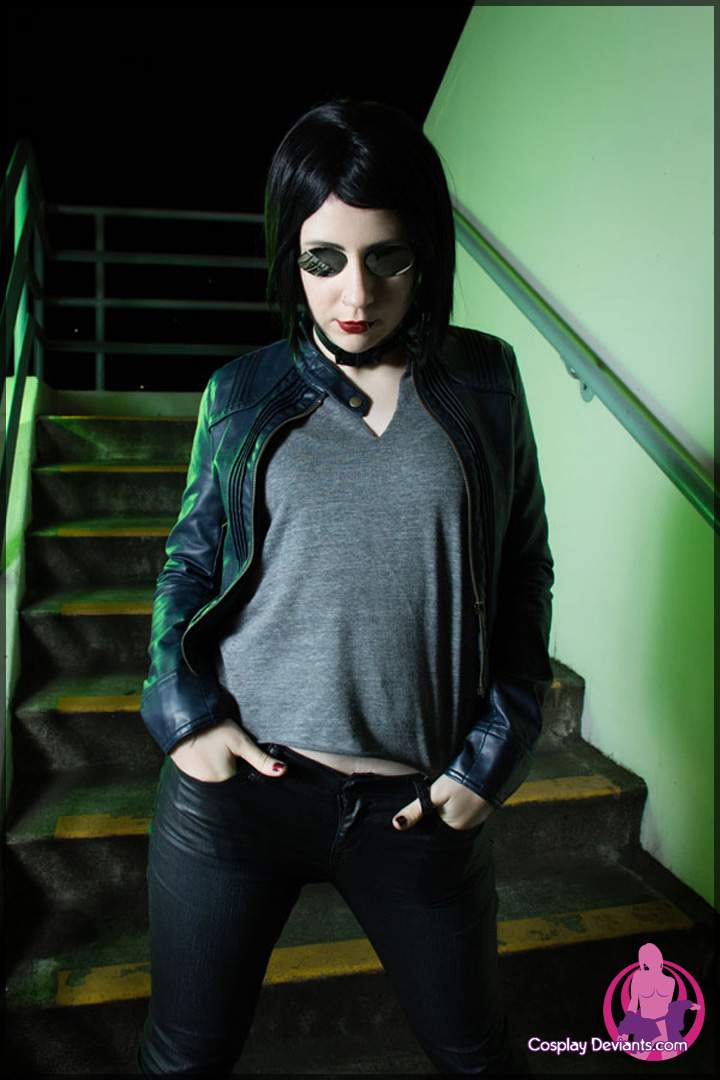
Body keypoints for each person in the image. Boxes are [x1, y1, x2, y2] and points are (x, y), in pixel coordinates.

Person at [137, 97, 554, 1076]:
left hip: (418, 807)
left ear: (427, 253)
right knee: (186, 1059)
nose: (354, 293)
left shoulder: (487, 381)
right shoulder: (240, 392)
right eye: (323, 260)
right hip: (242, 799)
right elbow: (188, 564)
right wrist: (184, 717)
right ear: (290, 256)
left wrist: (492, 757)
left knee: (477, 1057)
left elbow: (523, 570)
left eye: (386, 257)